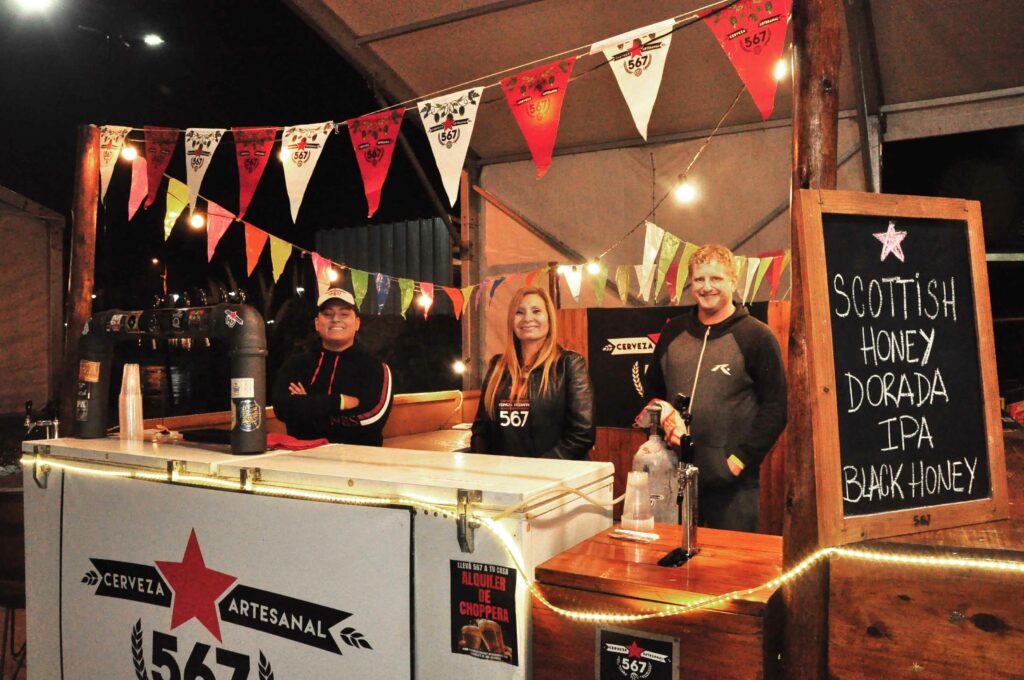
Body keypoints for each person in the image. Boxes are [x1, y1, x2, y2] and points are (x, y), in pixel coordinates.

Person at [641, 244, 787, 532]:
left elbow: (776, 408)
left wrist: (738, 461)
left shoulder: (757, 336)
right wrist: (660, 431)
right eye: (699, 279)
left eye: (716, 278)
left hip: (733, 486)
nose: (707, 287)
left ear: (733, 280)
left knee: (731, 560)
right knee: (670, 556)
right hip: (673, 474)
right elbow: (652, 394)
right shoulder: (673, 332)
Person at [471, 286, 595, 459]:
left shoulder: (570, 364)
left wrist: (536, 468)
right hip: (504, 473)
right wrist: (486, 466)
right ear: (511, 320)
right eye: (519, 312)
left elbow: (582, 434)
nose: (527, 318)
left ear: (549, 318)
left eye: (536, 311)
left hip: (553, 473)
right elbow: (481, 430)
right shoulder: (497, 366)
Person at [273, 288, 393, 445]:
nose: (335, 319)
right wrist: (340, 402)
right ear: (317, 323)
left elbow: (372, 418)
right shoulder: (296, 365)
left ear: (357, 323)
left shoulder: (375, 367)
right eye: (328, 314)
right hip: (304, 455)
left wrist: (308, 405)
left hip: (358, 457)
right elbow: (283, 409)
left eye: (344, 314)